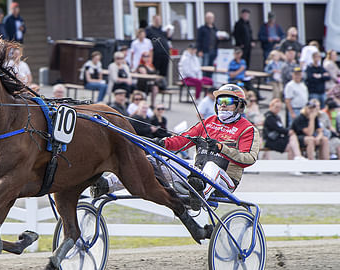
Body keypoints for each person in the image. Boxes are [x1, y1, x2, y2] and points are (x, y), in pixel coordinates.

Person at [91, 84, 260, 243]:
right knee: (151, 161)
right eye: (220, 101)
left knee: (211, 167)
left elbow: (249, 159)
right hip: (195, 178)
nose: (222, 105)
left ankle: (198, 197)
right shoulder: (208, 122)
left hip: (224, 181)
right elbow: (183, 140)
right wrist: (161, 143)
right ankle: (108, 185)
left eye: (227, 102)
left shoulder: (247, 129)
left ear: (239, 106)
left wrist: (221, 148)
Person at [263, 99, 306, 171]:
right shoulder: (269, 117)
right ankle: (298, 156)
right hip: (271, 140)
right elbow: (278, 129)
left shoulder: (277, 117)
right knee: (292, 138)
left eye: (279, 107)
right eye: (276, 107)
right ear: (271, 106)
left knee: (291, 145)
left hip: (277, 138)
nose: (278, 109)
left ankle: (293, 167)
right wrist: (289, 131)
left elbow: (281, 129)